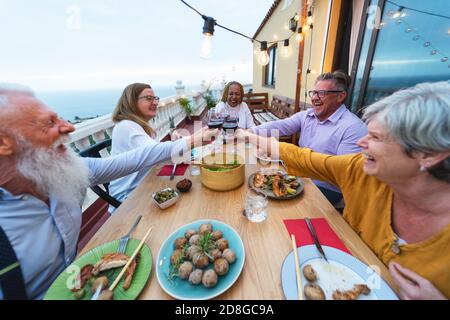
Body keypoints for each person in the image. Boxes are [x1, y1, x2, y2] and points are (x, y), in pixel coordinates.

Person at [0, 85, 217, 299]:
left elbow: (135, 159)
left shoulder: (55, 171)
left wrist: (191, 140)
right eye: (49, 123)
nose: (69, 127)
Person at [237, 81, 450, 299]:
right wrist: (249, 135)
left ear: (429, 154)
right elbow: (306, 159)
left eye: (375, 137)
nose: (361, 141)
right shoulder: (360, 171)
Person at [252, 71, 367, 205]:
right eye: (313, 93)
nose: (314, 98)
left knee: (271, 202)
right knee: (259, 187)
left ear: (340, 96)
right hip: (299, 176)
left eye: (322, 93)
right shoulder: (308, 115)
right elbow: (281, 125)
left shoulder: (353, 128)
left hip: (326, 188)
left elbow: (341, 174)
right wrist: (251, 131)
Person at [109, 83, 186, 211]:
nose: (155, 102)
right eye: (149, 98)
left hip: (147, 184)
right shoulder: (126, 126)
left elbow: (158, 154)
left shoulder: (141, 126)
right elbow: (157, 154)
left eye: (155, 98)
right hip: (128, 197)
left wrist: (175, 145)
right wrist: (189, 142)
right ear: (131, 102)